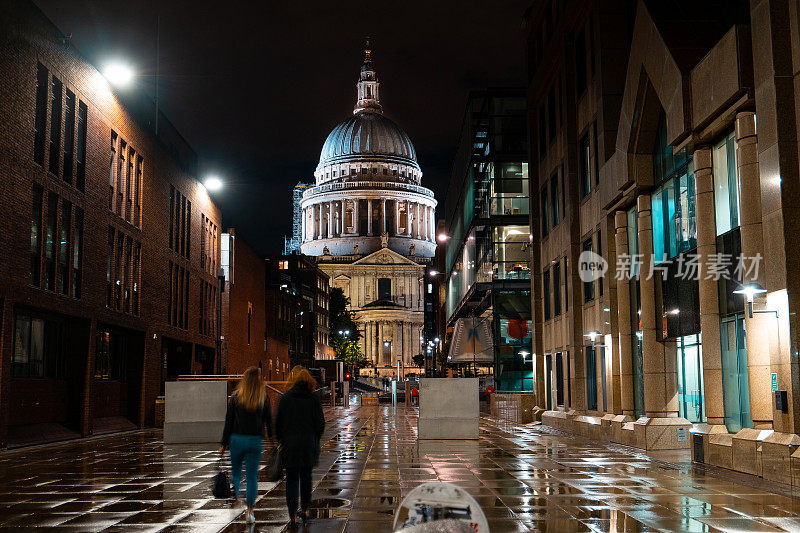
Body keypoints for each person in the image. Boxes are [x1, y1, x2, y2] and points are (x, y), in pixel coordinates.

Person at [219, 367, 272, 524]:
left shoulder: (235, 397)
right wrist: (273, 439)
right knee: (251, 476)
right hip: (255, 441)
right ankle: (250, 511)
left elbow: (228, 421)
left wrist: (223, 443)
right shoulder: (263, 398)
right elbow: (268, 420)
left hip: (236, 440)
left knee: (235, 472)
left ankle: (238, 495)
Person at [276, 365, 325, 528]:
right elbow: (320, 424)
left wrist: (281, 440)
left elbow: (278, 423)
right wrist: (315, 437)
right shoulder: (313, 399)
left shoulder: (285, 398)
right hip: (308, 444)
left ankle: (292, 514)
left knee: (291, 480)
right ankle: (304, 509)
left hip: (290, 444)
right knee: (306, 478)